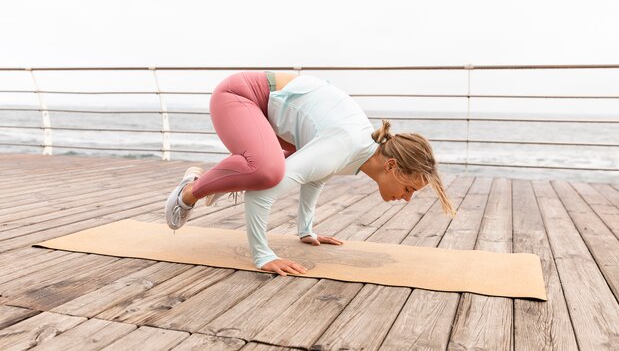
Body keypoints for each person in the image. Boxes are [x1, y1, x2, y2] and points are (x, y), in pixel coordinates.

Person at [165, 71, 455, 276]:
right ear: (392, 166)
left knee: (280, 166)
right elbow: (263, 192)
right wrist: (263, 256)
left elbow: (316, 176)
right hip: (239, 96)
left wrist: (306, 230)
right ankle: (190, 191)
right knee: (267, 172)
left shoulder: (361, 151)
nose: (406, 199)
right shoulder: (346, 144)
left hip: (266, 115)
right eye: (409, 190)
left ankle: (231, 176)